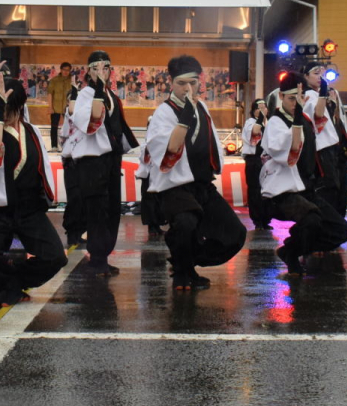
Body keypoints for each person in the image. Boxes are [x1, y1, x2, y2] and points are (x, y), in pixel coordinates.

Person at [146, 56, 246, 290]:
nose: (188, 89)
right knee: (185, 222)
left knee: (235, 234)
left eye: (192, 82)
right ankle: (183, 272)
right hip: (175, 186)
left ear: (200, 82)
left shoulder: (202, 107)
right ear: (171, 83)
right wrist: (184, 117)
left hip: (202, 185)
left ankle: (186, 260)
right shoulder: (164, 112)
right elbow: (169, 150)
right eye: (181, 83)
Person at [0, 79, 66, 305]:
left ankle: (12, 280)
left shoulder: (32, 131)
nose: (4, 112)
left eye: (8, 107)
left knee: (55, 257)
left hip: (29, 208)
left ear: (20, 107)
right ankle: (7, 284)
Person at [261, 72, 347, 275]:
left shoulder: (305, 119)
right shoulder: (276, 122)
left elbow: (319, 124)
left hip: (308, 187)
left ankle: (291, 248)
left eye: (300, 98)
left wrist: (322, 93)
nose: (296, 103)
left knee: (342, 230)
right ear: (281, 97)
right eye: (291, 98)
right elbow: (290, 150)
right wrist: (296, 121)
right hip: (285, 191)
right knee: (311, 219)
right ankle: (293, 252)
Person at [71, 50, 138, 276]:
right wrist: (99, 88)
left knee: (112, 209)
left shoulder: (113, 96)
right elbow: (91, 121)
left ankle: (104, 256)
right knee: (97, 211)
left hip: (111, 160)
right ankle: (97, 259)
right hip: (93, 161)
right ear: (88, 71)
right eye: (96, 68)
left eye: (106, 67)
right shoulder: (85, 95)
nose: (102, 72)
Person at [302, 61, 347, 215]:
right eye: (316, 73)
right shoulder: (309, 95)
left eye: (322, 74)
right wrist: (323, 92)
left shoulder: (327, 94)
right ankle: (326, 219)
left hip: (334, 147)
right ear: (306, 76)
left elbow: (337, 121)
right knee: (328, 187)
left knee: (339, 188)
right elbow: (318, 115)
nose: (320, 77)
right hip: (321, 148)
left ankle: (337, 219)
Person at [59, 85, 87, 246]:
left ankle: (79, 230)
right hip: (71, 162)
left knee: (82, 198)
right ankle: (72, 231)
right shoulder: (69, 116)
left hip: (83, 161)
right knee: (74, 198)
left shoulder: (84, 117)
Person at [242, 98, 270, 230]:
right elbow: (254, 135)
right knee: (255, 190)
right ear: (253, 110)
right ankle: (257, 220)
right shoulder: (250, 122)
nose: (262, 110)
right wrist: (260, 119)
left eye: (264, 107)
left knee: (266, 190)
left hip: (265, 160)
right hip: (253, 160)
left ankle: (266, 219)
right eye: (259, 107)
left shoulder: (268, 124)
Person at [46, 62, 74, 151]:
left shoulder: (72, 81)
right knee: (54, 126)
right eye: (64, 70)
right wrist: (50, 107)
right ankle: (54, 146)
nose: (66, 72)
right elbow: (50, 94)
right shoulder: (54, 80)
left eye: (68, 70)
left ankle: (69, 146)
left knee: (70, 127)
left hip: (68, 108)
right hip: (55, 107)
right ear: (61, 70)